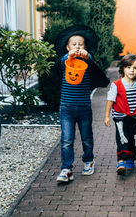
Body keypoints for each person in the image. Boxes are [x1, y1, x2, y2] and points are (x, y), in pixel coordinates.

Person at [54, 25, 109, 183]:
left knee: (86, 137)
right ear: (67, 47)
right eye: (74, 44)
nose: (77, 47)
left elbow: (92, 63)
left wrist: (87, 56)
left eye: (81, 44)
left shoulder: (87, 61)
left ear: (85, 47)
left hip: (84, 107)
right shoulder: (65, 61)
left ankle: (88, 161)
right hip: (66, 107)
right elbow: (59, 65)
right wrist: (68, 56)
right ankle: (66, 169)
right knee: (66, 139)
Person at [104, 54, 136, 175]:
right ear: (123, 69)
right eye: (128, 67)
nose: (131, 70)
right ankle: (121, 161)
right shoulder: (116, 85)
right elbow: (110, 100)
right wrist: (106, 116)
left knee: (134, 138)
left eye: (135, 68)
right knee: (123, 138)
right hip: (120, 117)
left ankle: (131, 158)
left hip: (134, 117)